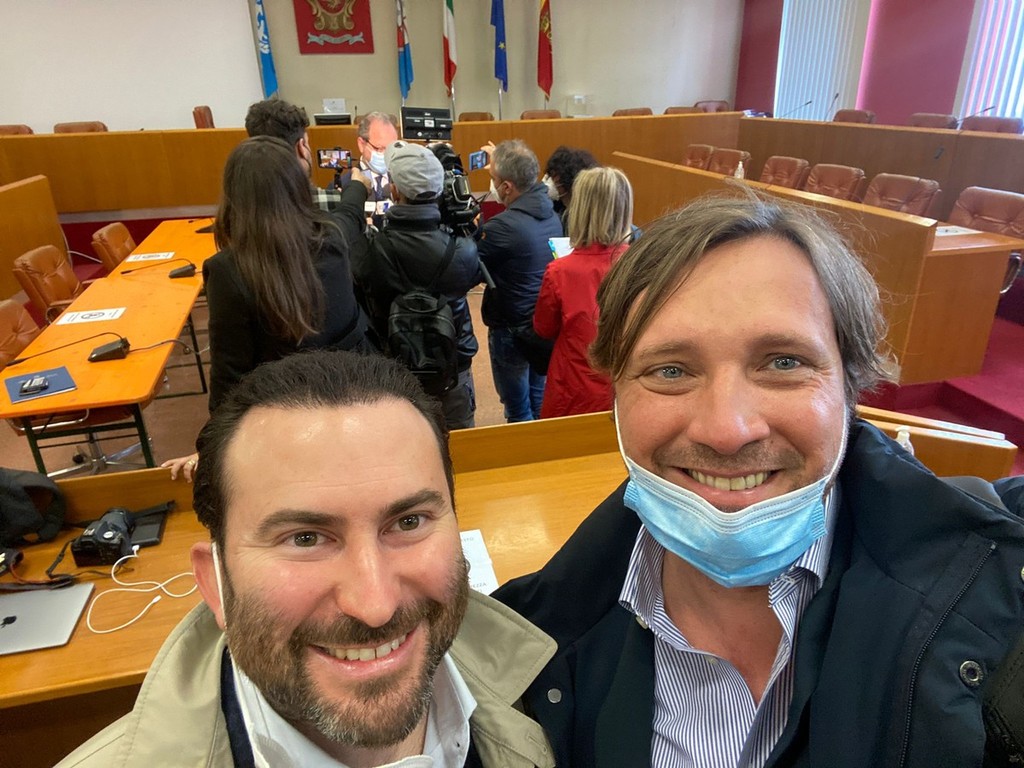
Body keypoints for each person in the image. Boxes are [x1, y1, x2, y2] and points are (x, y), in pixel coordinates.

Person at [494, 193, 1024, 766]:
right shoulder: (528, 642)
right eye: (670, 370)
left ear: (849, 387)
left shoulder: (999, 592)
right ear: (616, 396)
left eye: (783, 362)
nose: (727, 430)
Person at [57, 351, 556, 768]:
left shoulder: (557, 698)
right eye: (305, 538)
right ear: (215, 584)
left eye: (408, 522)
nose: (375, 605)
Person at [162, 136, 374, 480]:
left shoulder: (228, 270)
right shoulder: (334, 236)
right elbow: (350, 213)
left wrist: (212, 450)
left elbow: (230, 373)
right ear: (298, 188)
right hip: (360, 399)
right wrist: (357, 185)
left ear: (233, 199)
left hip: (288, 420)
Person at [354, 141, 482, 429]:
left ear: (395, 190)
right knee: (461, 444)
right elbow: (472, 277)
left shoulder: (373, 249)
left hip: (397, 366)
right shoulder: (463, 249)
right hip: (453, 364)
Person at [533, 167, 632, 418]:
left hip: (573, 390)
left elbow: (543, 328)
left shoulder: (560, 271)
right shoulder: (642, 264)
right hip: (626, 387)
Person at [477, 139, 563, 422]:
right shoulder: (552, 214)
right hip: (541, 326)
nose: (492, 184)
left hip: (510, 329)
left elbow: (470, 266)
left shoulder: (501, 227)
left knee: (516, 408)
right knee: (539, 397)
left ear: (506, 187)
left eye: (494, 179)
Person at [542, 145, 599, 229]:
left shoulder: (586, 217)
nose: (550, 181)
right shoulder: (554, 207)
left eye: (554, 176)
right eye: (550, 175)